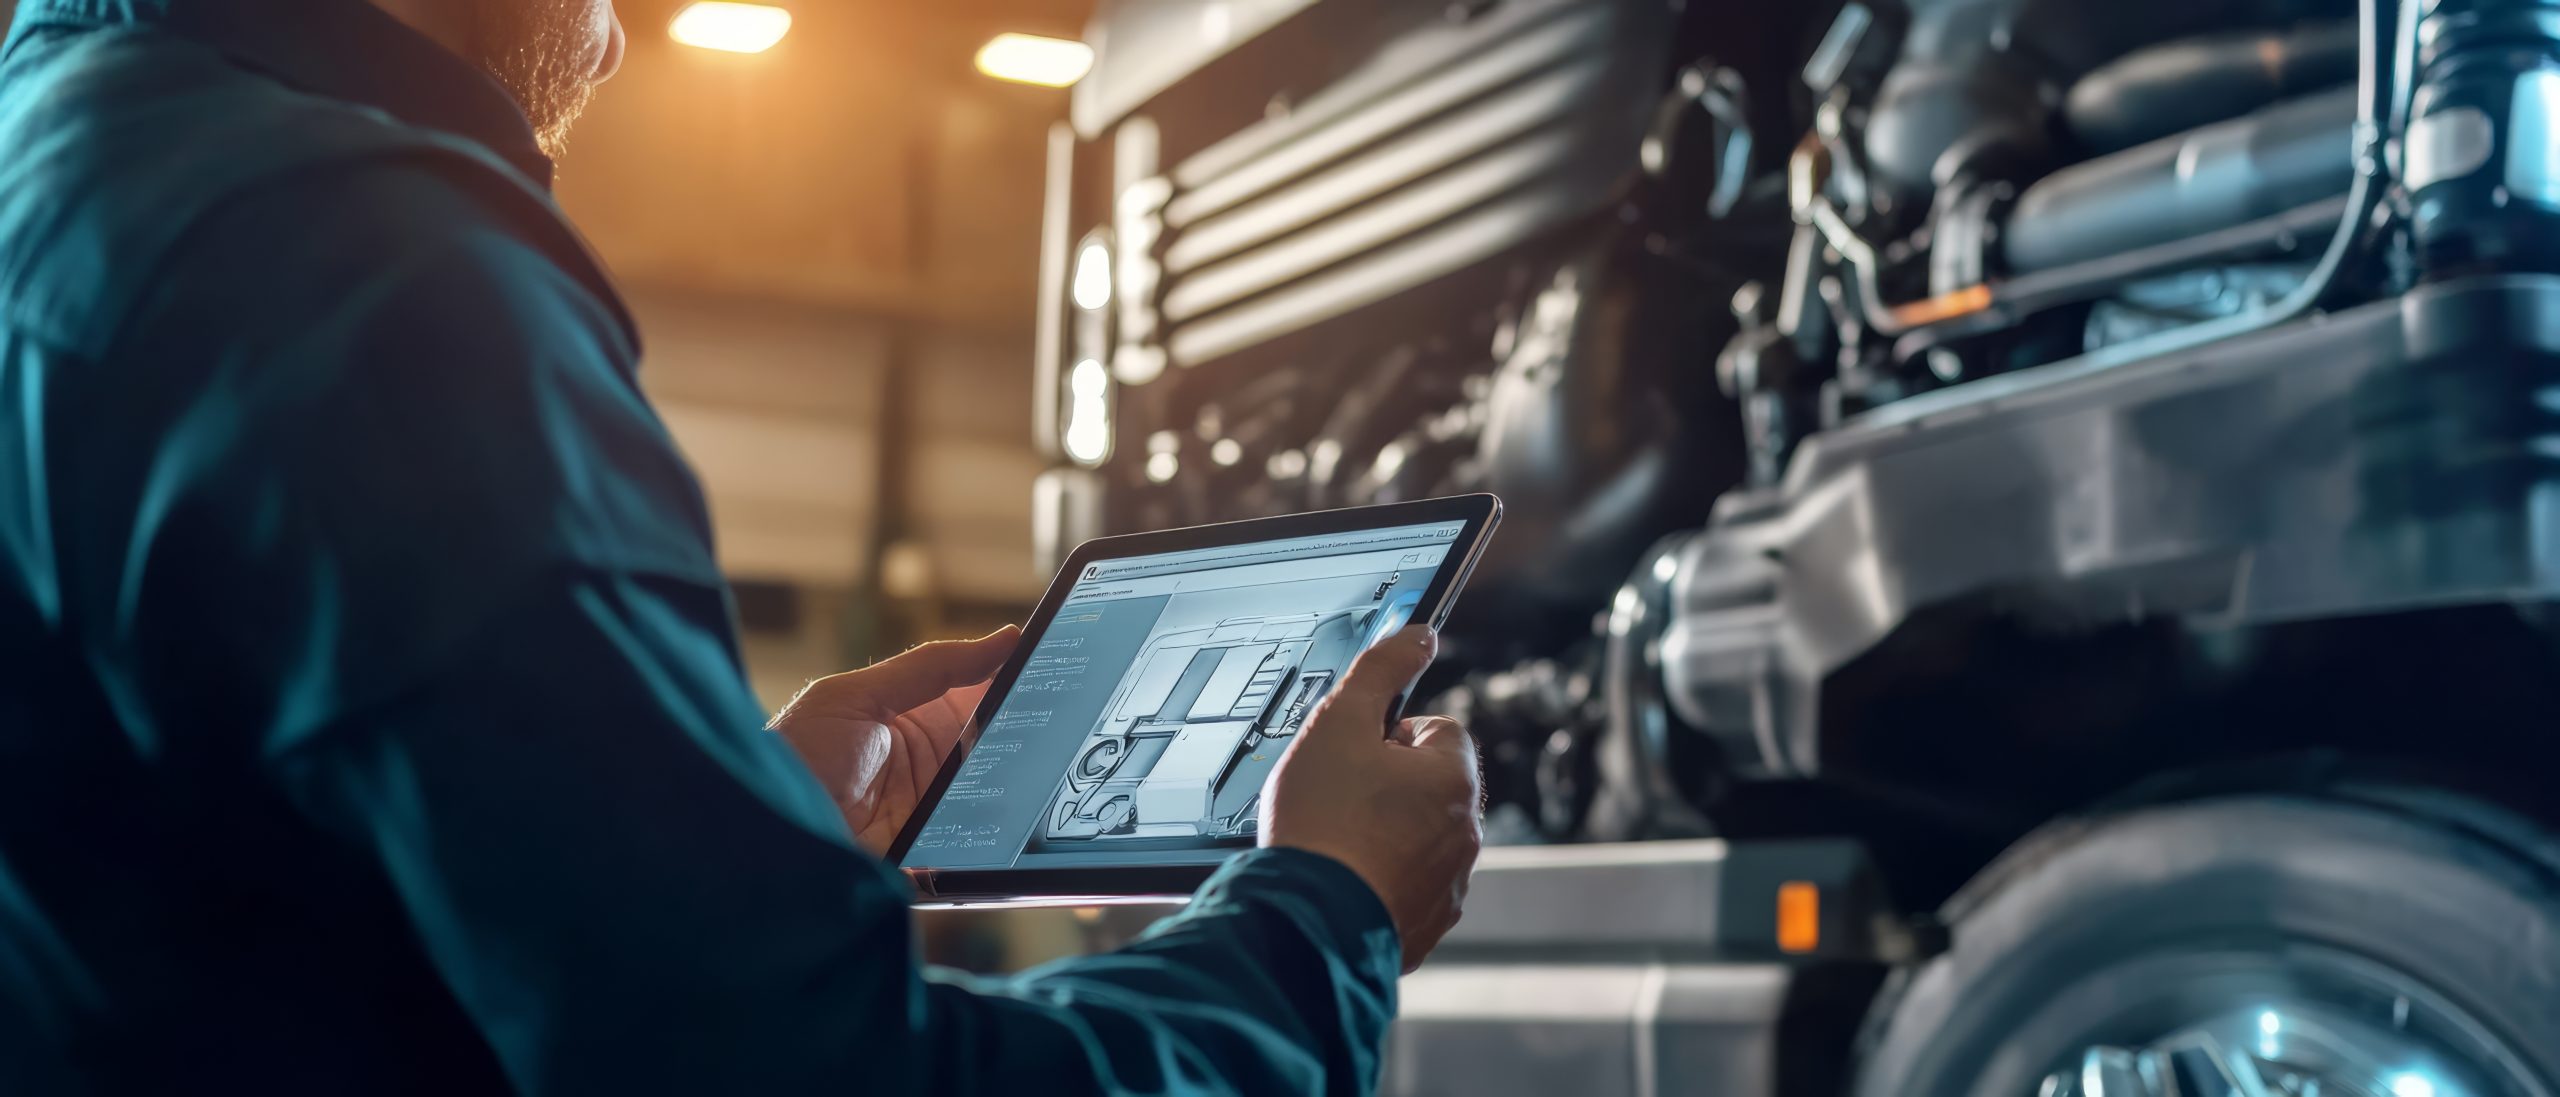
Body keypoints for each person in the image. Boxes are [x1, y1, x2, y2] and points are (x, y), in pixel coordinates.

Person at [0, 0, 1485, 1092]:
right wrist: (1318, 923)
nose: (615, 38)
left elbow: (268, 922)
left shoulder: (71, 161)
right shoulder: (360, 274)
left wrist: (713, 817)